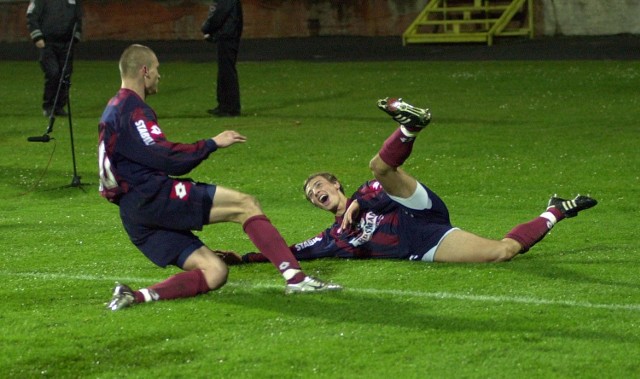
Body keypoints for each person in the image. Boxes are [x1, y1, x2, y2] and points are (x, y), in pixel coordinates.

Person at [98, 45, 341, 311]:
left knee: (215, 271)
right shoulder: (133, 109)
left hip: (133, 214)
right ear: (144, 71)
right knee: (245, 204)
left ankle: (135, 296)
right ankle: (296, 278)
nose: (159, 75)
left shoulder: (112, 109)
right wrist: (212, 143)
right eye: (157, 69)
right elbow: (167, 158)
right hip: (152, 197)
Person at [222, 97, 597, 265]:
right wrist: (242, 259)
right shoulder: (333, 239)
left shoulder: (362, 196)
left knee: (380, 170)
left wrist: (358, 200)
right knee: (502, 252)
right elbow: (292, 251)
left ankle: (409, 127)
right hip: (425, 242)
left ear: (335, 184)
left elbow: (379, 190)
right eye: (310, 194)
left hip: (416, 209)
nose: (316, 192)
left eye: (319, 185)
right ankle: (555, 210)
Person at [26, 0, 83, 117]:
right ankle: (48, 106)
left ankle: (59, 106)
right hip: (48, 43)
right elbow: (32, 16)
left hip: (67, 43)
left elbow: (78, 18)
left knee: (65, 74)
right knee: (53, 73)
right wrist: (37, 37)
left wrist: (76, 36)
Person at [201, 0, 243, 117]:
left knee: (227, 72)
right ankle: (224, 105)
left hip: (227, 36)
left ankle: (230, 107)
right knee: (225, 71)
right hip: (227, 35)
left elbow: (219, 14)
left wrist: (207, 27)